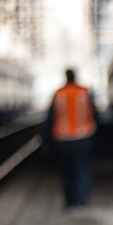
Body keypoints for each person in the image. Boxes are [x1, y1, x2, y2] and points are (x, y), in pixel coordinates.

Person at [42, 69, 97, 208]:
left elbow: (50, 119)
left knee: (66, 171)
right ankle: (81, 199)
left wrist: (44, 140)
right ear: (75, 77)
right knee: (82, 169)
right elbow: (95, 115)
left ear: (65, 78)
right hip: (83, 137)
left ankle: (69, 201)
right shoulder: (84, 92)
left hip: (63, 139)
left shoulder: (59, 93)